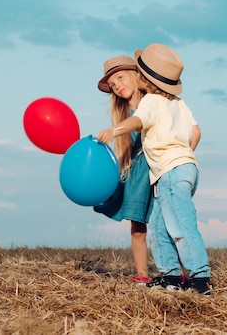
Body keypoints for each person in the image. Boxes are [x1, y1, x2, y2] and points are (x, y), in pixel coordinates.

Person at [97, 43, 212, 295]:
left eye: (125, 76)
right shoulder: (177, 103)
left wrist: (113, 131)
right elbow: (196, 132)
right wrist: (185, 156)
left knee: (179, 225)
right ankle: (171, 277)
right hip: (175, 168)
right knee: (160, 226)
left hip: (168, 170)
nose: (119, 85)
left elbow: (138, 121)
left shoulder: (150, 102)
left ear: (143, 79)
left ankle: (198, 278)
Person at [94, 55, 154, 284]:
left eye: (119, 77)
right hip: (137, 171)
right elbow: (123, 150)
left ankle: (181, 273)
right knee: (137, 225)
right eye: (112, 85)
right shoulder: (121, 114)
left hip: (156, 166)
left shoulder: (152, 102)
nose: (117, 85)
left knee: (170, 223)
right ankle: (142, 275)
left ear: (134, 75)